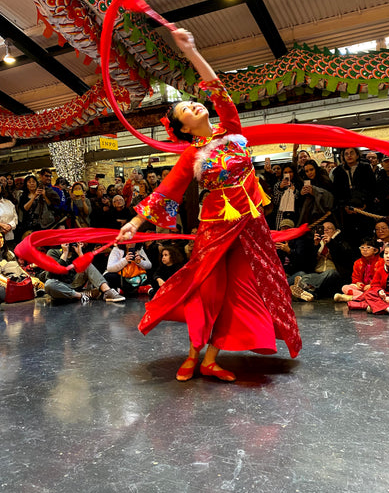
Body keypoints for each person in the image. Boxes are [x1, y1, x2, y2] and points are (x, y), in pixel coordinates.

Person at [118, 28, 302, 382]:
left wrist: (192, 51)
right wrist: (135, 224)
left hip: (251, 227)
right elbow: (166, 191)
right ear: (184, 129)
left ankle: (211, 360)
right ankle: (192, 354)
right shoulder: (192, 155)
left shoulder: (232, 129)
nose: (194, 105)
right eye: (186, 109)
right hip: (216, 229)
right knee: (208, 292)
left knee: (245, 291)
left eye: (191, 101)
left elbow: (218, 91)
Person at [44, 241, 125, 303]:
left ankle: (108, 291)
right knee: (49, 284)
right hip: (60, 285)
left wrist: (80, 253)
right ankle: (81, 295)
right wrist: (64, 254)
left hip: (75, 283)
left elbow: (87, 271)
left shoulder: (76, 252)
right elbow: (50, 275)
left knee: (85, 263)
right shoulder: (53, 252)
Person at [334, 237, 380, 303]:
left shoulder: (381, 262)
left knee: (377, 292)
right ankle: (365, 297)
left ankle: (350, 298)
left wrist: (371, 285)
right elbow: (355, 277)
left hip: (373, 287)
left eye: (368, 247)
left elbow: (381, 279)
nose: (365, 250)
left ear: (375, 250)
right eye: (362, 247)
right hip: (362, 288)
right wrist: (358, 283)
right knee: (345, 287)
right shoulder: (358, 262)